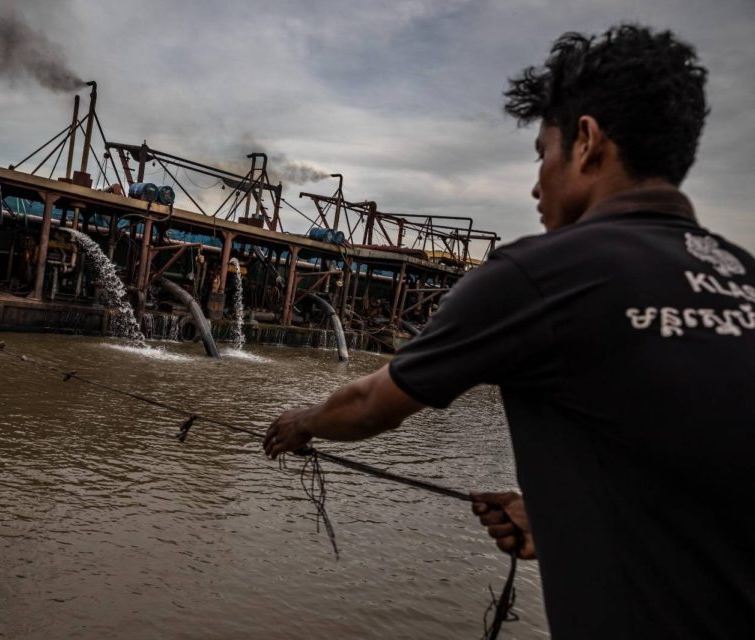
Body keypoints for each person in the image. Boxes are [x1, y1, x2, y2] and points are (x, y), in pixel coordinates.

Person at [264, 24, 755, 639]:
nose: (534, 184)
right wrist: (561, 522)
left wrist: (302, 422)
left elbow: (368, 406)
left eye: (541, 155)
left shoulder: (540, 275)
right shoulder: (743, 273)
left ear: (585, 141)